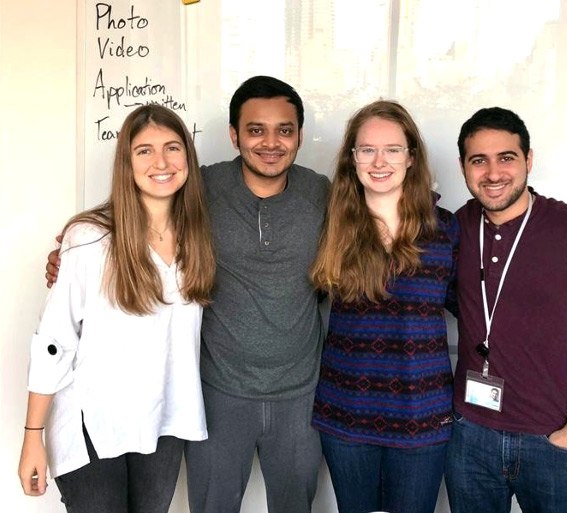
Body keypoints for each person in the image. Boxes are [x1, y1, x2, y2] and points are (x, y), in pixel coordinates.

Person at [44, 76, 328, 513]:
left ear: (300, 135)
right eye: (255, 129)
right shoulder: (199, 190)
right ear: (234, 135)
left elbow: (374, 232)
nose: (271, 142)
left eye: (284, 130)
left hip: (302, 394)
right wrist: (71, 250)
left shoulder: (322, 194)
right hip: (216, 392)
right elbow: (134, 215)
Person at [18, 104, 216, 513]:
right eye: (144, 151)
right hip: (93, 425)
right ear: (126, 164)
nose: (161, 162)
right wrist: (32, 435)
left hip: (165, 419)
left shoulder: (200, 239)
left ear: (188, 160)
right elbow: (55, 340)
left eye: (172, 148)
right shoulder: (90, 237)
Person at [445, 107, 567, 513]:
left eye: (506, 157)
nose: (493, 173)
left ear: (528, 159)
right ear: (463, 167)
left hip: (552, 441)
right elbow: (450, 297)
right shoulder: (456, 227)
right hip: (470, 436)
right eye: (479, 160)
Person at [310, 100, 459, 513]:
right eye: (367, 149)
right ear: (352, 158)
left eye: (392, 149)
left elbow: (479, 310)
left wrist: (553, 339)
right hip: (345, 412)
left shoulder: (444, 227)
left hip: (423, 414)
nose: (380, 161)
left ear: (411, 157)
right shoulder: (330, 225)